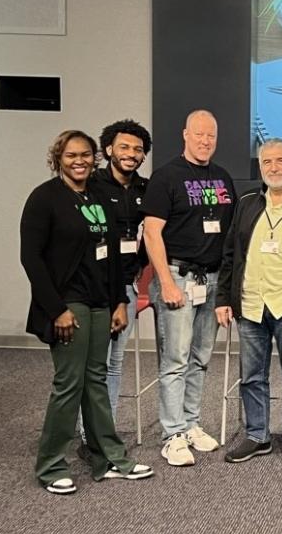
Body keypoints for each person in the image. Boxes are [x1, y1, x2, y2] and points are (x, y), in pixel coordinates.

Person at [21, 130, 154, 494]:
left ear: (94, 158)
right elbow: (31, 259)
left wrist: (119, 301)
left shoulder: (97, 196)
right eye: (71, 155)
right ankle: (51, 466)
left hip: (101, 301)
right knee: (69, 383)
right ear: (58, 159)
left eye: (84, 155)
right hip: (68, 303)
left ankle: (108, 458)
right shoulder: (44, 198)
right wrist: (57, 309)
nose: (79, 161)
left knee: (96, 380)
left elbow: (113, 255)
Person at [215, 139, 282, 473]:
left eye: (280, 161)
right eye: (267, 162)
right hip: (250, 303)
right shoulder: (247, 202)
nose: (274, 167)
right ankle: (257, 436)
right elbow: (231, 253)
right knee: (251, 376)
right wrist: (223, 298)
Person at [142, 109, 237, 466]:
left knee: (200, 358)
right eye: (199, 134)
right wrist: (166, 282)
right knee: (176, 359)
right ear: (185, 135)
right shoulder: (166, 177)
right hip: (178, 278)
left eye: (211, 135)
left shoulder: (223, 177)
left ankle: (191, 423)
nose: (205, 141)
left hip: (212, 279)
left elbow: (229, 234)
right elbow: (152, 233)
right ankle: (172, 434)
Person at [75, 119, 152, 437]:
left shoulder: (146, 188)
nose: (131, 154)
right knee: (96, 363)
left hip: (128, 285)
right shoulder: (90, 185)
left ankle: (104, 430)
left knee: (115, 361)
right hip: (95, 287)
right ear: (108, 149)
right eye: (124, 147)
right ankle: (88, 434)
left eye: (138, 149)